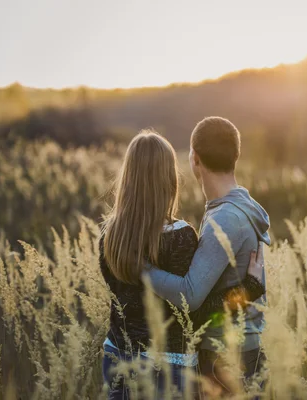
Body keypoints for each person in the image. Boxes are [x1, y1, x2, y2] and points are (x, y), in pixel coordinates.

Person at [99, 129, 266, 399]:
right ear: (169, 179)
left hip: (117, 355)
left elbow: (123, 297)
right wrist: (249, 288)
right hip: (167, 367)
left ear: (127, 176)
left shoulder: (109, 235)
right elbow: (194, 312)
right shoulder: (180, 237)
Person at [144, 116, 270, 394]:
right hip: (242, 348)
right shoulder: (241, 206)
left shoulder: (225, 219)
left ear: (194, 158)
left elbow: (190, 295)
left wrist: (143, 270)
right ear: (236, 155)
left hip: (226, 356)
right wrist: (248, 290)